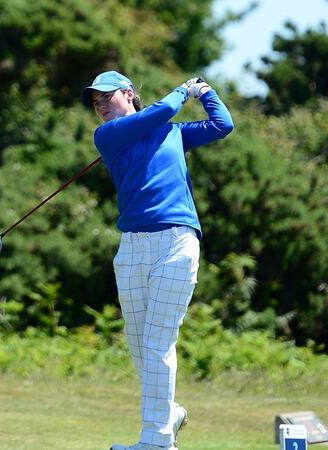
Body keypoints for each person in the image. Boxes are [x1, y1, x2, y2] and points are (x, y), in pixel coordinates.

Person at [80, 71, 234, 450]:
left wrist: (206, 91)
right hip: (132, 248)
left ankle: (156, 442)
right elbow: (160, 111)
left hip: (176, 243)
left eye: (107, 97)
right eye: (96, 102)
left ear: (129, 93)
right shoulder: (108, 135)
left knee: (157, 342)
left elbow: (222, 125)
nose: (100, 106)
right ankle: (169, 415)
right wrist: (185, 89)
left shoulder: (174, 132)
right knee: (140, 346)